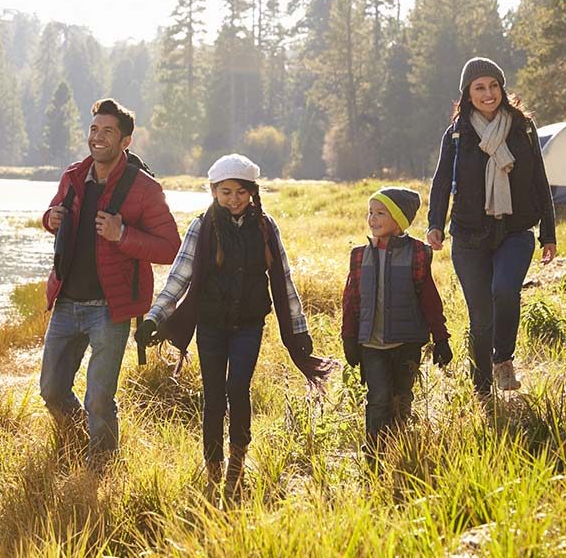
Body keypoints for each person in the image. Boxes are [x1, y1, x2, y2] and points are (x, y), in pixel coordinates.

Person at [142, 154, 333, 504]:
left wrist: (299, 328)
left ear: (252, 192)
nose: (234, 199)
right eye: (226, 192)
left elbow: (284, 279)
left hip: (248, 325)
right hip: (211, 326)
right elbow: (179, 277)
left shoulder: (265, 226)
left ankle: (238, 463)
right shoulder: (202, 226)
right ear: (214, 191)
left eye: (241, 192)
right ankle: (214, 467)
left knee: (238, 387)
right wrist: (155, 317)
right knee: (213, 396)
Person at [40, 98, 181, 466]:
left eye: (107, 132)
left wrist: (122, 236)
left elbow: (170, 248)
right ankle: (74, 444)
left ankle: (100, 468)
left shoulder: (145, 189)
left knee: (99, 399)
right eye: (93, 130)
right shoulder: (73, 176)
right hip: (66, 302)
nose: (97, 138)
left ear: (126, 141)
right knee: (52, 390)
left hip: (110, 309)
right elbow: (54, 213)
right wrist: (49, 219)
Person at [427, 57, 557, 395]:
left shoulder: (522, 128)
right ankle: (482, 388)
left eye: (494, 86)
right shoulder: (458, 133)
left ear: (502, 88)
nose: (488, 93)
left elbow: (540, 181)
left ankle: (503, 361)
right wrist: (435, 224)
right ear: (468, 93)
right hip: (469, 235)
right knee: (480, 318)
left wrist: (549, 233)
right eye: (480, 87)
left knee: (504, 290)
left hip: (515, 231)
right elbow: (442, 181)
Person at [341, 187, 451, 454]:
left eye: (381, 213)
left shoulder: (417, 254)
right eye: (370, 212)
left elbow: (429, 299)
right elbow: (351, 299)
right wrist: (348, 337)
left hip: (407, 343)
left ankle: (400, 448)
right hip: (371, 345)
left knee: (402, 397)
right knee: (378, 398)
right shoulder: (359, 255)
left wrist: (441, 338)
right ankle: (375, 451)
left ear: (400, 220)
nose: (373, 219)